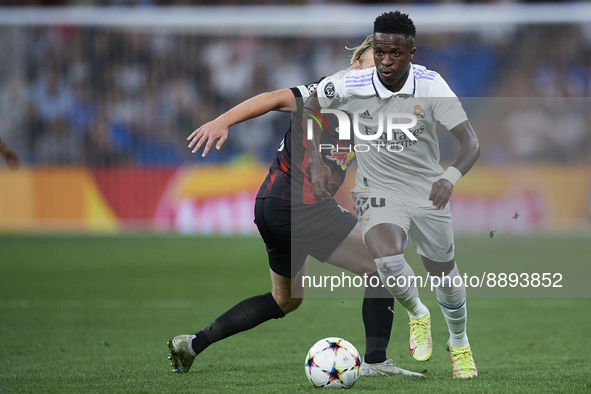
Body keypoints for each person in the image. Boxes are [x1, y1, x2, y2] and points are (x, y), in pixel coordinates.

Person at [168, 36, 424, 378]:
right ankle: (377, 362)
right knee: (382, 266)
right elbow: (273, 98)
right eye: (371, 61)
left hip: (273, 205)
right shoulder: (329, 91)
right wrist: (223, 121)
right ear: (354, 67)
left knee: (285, 300)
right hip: (298, 205)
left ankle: (192, 344)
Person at [305, 12, 480, 379]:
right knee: (386, 258)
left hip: (427, 192)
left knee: (444, 275)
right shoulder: (351, 84)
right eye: (380, 51)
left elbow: (470, 142)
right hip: (376, 189)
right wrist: (316, 161)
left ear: (411, 53)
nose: (386, 60)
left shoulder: (431, 85)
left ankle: (460, 344)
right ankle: (418, 313)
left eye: (395, 53)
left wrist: (449, 177)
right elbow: (310, 106)